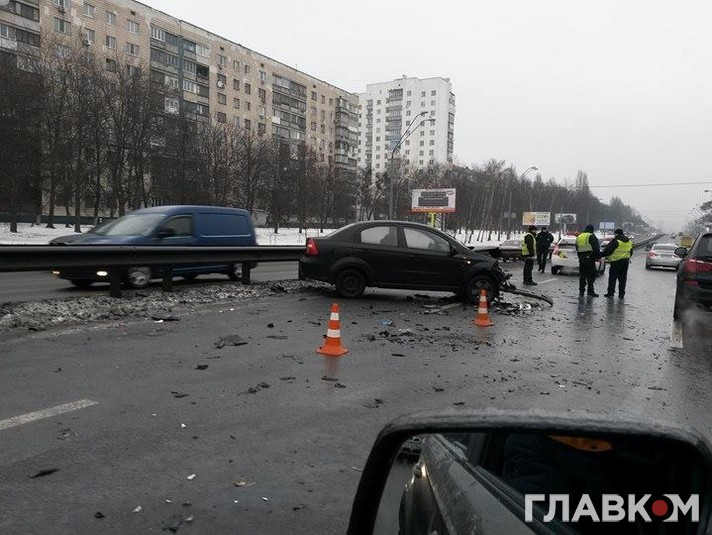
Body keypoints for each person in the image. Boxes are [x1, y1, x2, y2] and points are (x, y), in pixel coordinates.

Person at [600, 228, 633, 299]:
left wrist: (599, 255)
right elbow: (631, 252)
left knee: (612, 278)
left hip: (616, 262)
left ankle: (610, 293)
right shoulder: (629, 242)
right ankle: (621, 294)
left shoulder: (616, 241)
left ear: (616, 234)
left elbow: (608, 251)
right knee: (623, 279)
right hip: (625, 262)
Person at [575, 224, 600, 297]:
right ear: (592, 230)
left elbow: (577, 247)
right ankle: (590, 291)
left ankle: (581, 291)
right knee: (591, 275)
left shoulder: (579, 236)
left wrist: (580, 256)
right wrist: (596, 257)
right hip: (590, 257)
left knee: (582, 275)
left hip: (582, 258)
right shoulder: (591, 236)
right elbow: (596, 248)